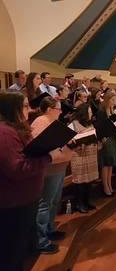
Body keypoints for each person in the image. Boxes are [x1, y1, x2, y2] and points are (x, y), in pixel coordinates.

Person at [0, 91, 65, 271]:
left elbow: (28, 156)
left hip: (24, 200)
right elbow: (18, 168)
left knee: (18, 252)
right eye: (25, 106)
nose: (29, 110)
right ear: (11, 109)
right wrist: (47, 157)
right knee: (8, 256)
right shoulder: (5, 133)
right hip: (11, 204)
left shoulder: (16, 130)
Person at [31, 97, 71, 254]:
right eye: (58, 109)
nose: (61, 112)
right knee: (45, 203)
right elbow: (41, 146)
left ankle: (50, 228)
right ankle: (41, 240)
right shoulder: (41, 122)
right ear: (49, 109)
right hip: (49, 169)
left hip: (59, 167)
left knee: (54, 201)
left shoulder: (53, 123)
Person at [69, 104, 98, 213]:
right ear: (83, 113)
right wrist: (79, 139)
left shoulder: (90, 124)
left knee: (89, 180)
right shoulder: (73, 124)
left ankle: (87, 201)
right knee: (80, 181)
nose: (91, 114)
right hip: (79, 155)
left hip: (90, 155)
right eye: (89, 112)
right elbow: (69, 140)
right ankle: (79, 203)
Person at [95, 90, 116, 196]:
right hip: (106, 139)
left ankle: (109, 184)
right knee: (106, 164)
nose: (114, 102)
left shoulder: (112, 111)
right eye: (112, 100)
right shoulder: (101, 111)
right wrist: (101, 139)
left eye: (115, 100)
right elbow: (99, 127)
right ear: (107, 100)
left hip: (113, 138)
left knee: (111, 164)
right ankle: (105, 186)